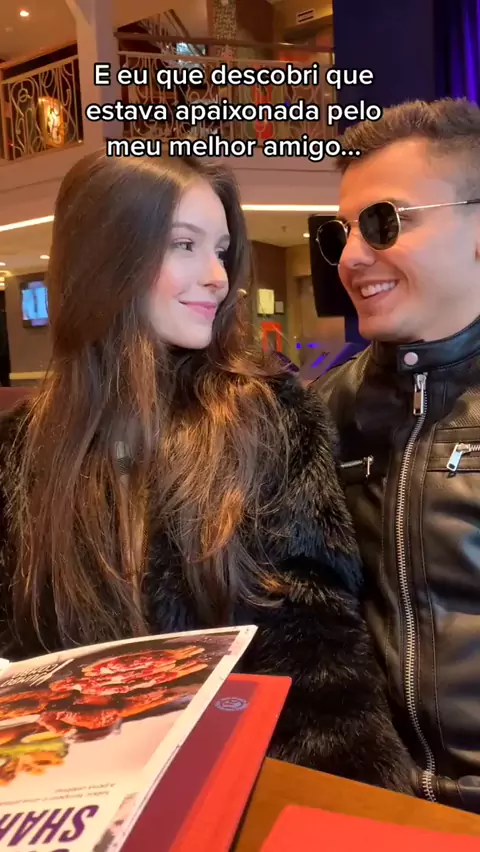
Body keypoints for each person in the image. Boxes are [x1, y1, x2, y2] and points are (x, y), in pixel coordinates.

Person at [0, 151, 412, 792]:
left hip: (242, 786)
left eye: (220, 250)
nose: (218, 277)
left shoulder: (263, 416)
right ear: (106, 254)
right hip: (73, 794)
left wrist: (346, 805)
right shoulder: (24, 449)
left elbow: (316, 647)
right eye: (184, 245)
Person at [314, 97, 480, 813]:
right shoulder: (320, 415)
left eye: (385, 222)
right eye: (341, 233)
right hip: (374, 811)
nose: (353, 257)